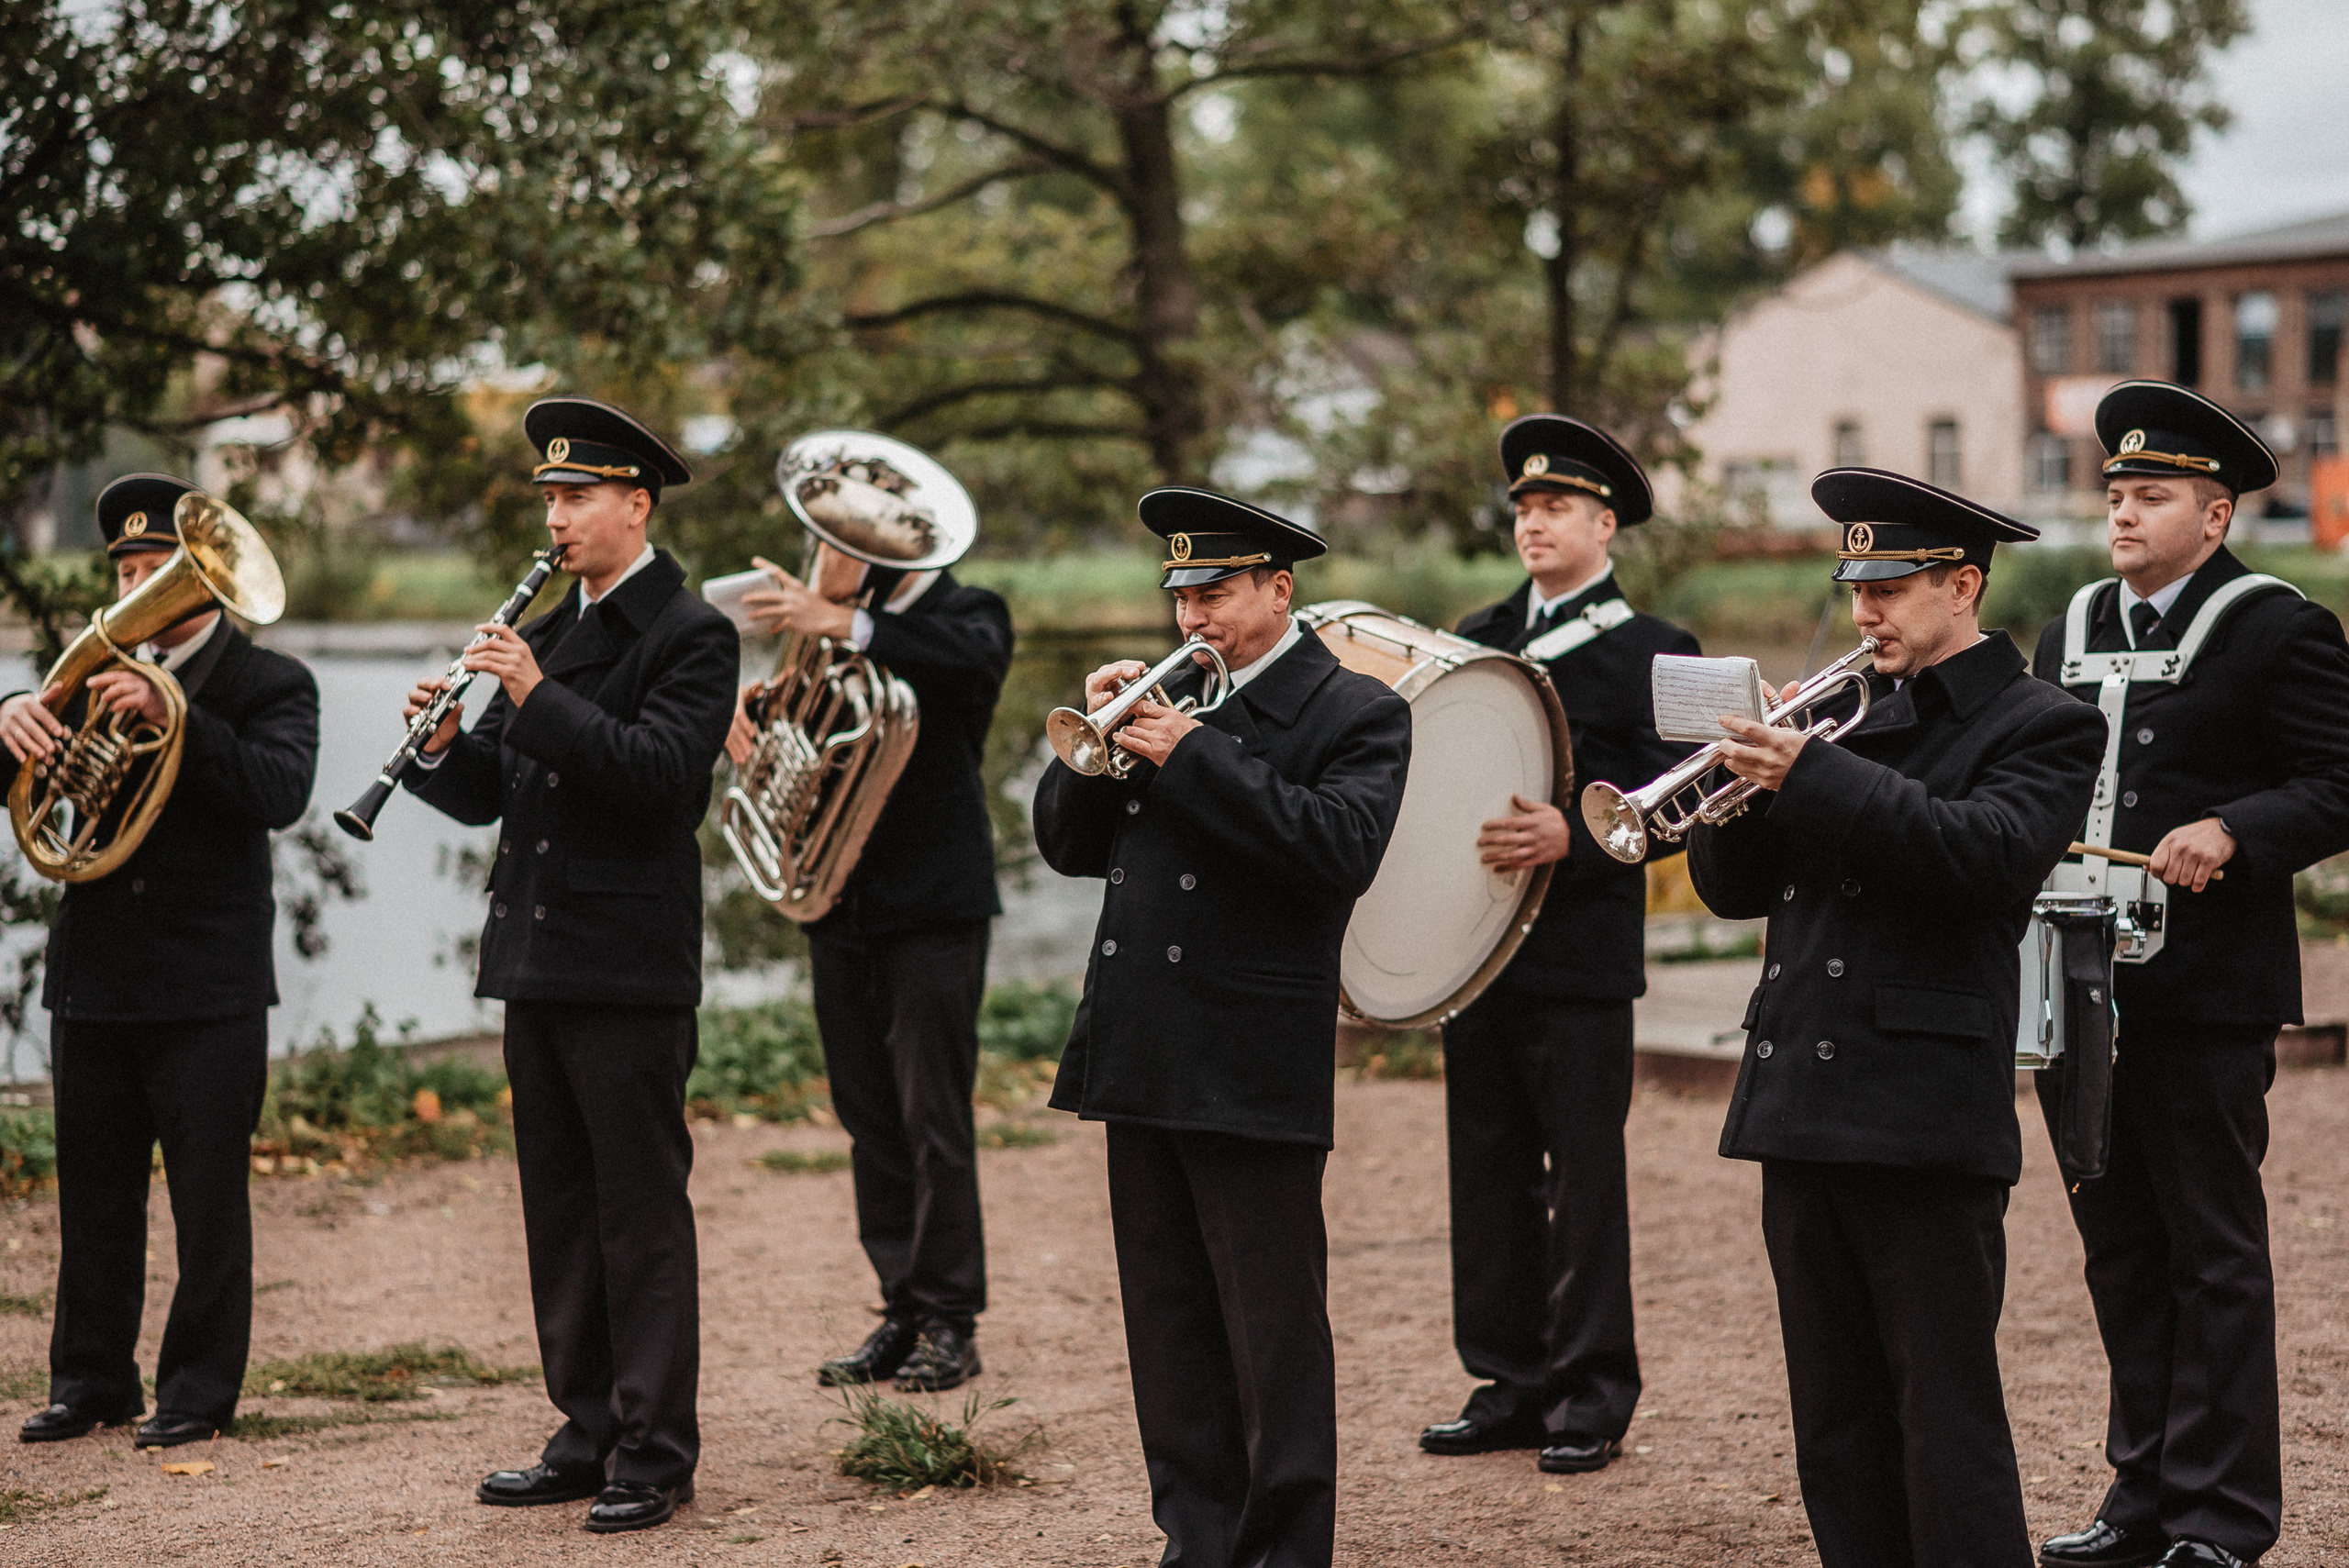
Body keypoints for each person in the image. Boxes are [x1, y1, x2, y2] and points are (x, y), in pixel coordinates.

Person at [1687, 468, 2106, 1568]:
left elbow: (1980, 858)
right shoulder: (1841, 715)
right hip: (1800, 1105)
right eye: (1855, 586)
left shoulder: (2043, 723)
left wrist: (1811, 773)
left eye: (1892, 586)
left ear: (1962, 584)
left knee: (1945, 1421)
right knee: (1832, 1426)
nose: (1864, 609)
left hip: (1922, 1113)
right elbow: (1734, 891)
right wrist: (1735, 783)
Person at [1032, 488, 1411, 1568]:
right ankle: (1196, 1539)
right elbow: (1065, 848)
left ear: (1277, 590)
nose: (1192, 616)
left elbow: (1337, 847)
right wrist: (1091, 747)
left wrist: (1188, 751)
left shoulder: (1356, 711)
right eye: (1181, 594)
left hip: (1249, 1053)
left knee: (1271, 1329)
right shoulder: (1166, 701)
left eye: (1215, 592)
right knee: (1168, 1320)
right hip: (1142, 1040)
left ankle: (1287, 1548)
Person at [401, 397, 738, 1534]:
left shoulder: (690, 632)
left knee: (639, 1215)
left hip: (628, 961)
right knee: (558, 1210)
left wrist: (535, 696)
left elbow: (658, 778)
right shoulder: (546, 628)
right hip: (537, 955)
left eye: (576, 496)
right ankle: (584, 1428)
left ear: (634, 504)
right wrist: (445, 746)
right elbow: (497, 789)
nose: (556, 515)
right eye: (548, 497)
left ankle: (654, 1446)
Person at [2030, 382, 2349, 1568]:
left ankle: (2222, 1517)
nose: (2122, 511)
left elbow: (2340, 779)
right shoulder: (2071, 624)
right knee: (2120, 1250)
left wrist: (2236, 827)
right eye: (2115, 492)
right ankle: (2145, 1497)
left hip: (2206, 992)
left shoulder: (2278, 626)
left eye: (2150, 495)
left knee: (2212, 1254)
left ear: (2213, 517)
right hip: (2077, 985)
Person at [3, 474, 319, 1450]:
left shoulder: (274, 682)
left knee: (207, 1199)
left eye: (158, 570)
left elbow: (279, 791)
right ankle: (92, 1378)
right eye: (130, 571)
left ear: (206, 585)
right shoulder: (90, 672)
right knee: (94, 1194)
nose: (138, 590)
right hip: (97, 973)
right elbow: (34, 802)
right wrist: (14, 710)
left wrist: (178, 710)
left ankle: (197, 1390)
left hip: (207, 982)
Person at [1419, 414, 1699, 1474]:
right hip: (1472, 949)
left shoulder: (1653, 648)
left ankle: (1590, 1391)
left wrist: (1572, 836)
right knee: (1484, 1169)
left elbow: (1674, 803)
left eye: (1555, 508)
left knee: (1583, 1181)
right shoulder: (1476, 632)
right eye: (1525, 508)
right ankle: (1509, 1378)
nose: (1534, 522)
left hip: (1579, 954)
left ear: (1604, 523)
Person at [726, 532, 1014, 1393]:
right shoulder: (831, 636)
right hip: (838, 899)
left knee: (934, 1118)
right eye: (821, 538)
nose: (821, 552)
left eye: (836, 540)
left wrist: (843, 618)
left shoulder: (969, 612)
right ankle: (902, 1304)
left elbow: (966, 665)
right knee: (867, 1116)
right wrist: (756, 728)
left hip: (935, 907)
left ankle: (951, 1320)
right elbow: (808, 752)